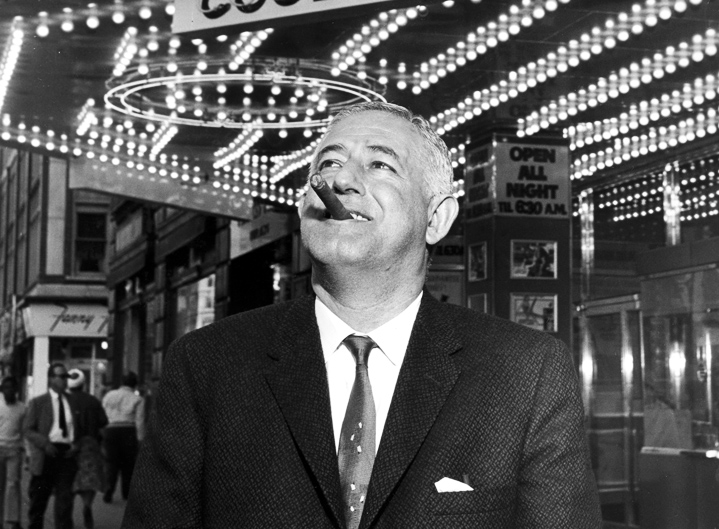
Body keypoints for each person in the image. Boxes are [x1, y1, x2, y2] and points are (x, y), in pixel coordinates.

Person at [124, 101, 601, 528]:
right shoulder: (207, 365)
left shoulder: (526, 371)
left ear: (437, 218)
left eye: (379, 164)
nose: (341, 180)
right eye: (329, 162)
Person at [25, 363, 92, 529]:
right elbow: (27, 429)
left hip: (66, 456)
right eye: (61, 377)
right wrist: (44, 443)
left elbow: (81, 428)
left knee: (65, 502)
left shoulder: (73, 402)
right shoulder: (39, 402)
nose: (65, 380)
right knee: (39, 500)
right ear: (51, 379)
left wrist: (76, 444)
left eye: (66, 377)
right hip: (46, 455)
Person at [67, 370, 108, 529]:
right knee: (90, 481)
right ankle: (87, 506)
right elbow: (103, 422)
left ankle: (68, 512)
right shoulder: (93, 401)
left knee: (70, 480)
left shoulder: (65, 400)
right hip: (90, 446)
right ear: (83, 383)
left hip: (70, 447)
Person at [100, 372, 144, 504]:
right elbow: (139, 421)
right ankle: (126, 493)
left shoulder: (109, 395)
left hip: (111, 430)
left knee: (111, 463)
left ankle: (108, 490)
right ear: (135, 383)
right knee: (128, 464)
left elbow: (103, 413)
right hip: (128, 430)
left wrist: (103, 431)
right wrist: (140, 439)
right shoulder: (138, 399)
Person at [0, 377, 25, 529]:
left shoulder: (23, 408)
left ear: (16, 390)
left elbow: (25, 431)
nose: (9, 390)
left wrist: (27, 453)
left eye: (12, 387)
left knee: (13, 485)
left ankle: (13, 520)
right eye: (6, 387)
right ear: (2, 390)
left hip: (14, 451)